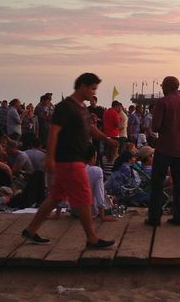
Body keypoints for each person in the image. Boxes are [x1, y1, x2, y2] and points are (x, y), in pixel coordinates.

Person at [22, 73, 118, 249]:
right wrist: (50, 158)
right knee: (83, 196)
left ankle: (31, 229)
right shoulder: (65, 107)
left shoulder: (82, 108)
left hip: (75, 158)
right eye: (92, 88)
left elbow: (91, 128)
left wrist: (107, 139)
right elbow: (53, 132)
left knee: (56, 197)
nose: (93, 92)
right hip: (68, 159)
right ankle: (92, 238)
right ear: (82, 86)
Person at [146, 76, 180, 227]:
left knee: (157, 183)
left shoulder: (163, 102)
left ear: (167, 87)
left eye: (162, 86)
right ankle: (179, 216)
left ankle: (155, 218)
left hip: (164, 147)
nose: (161, 88)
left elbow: (155, 127)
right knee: (179, 182)